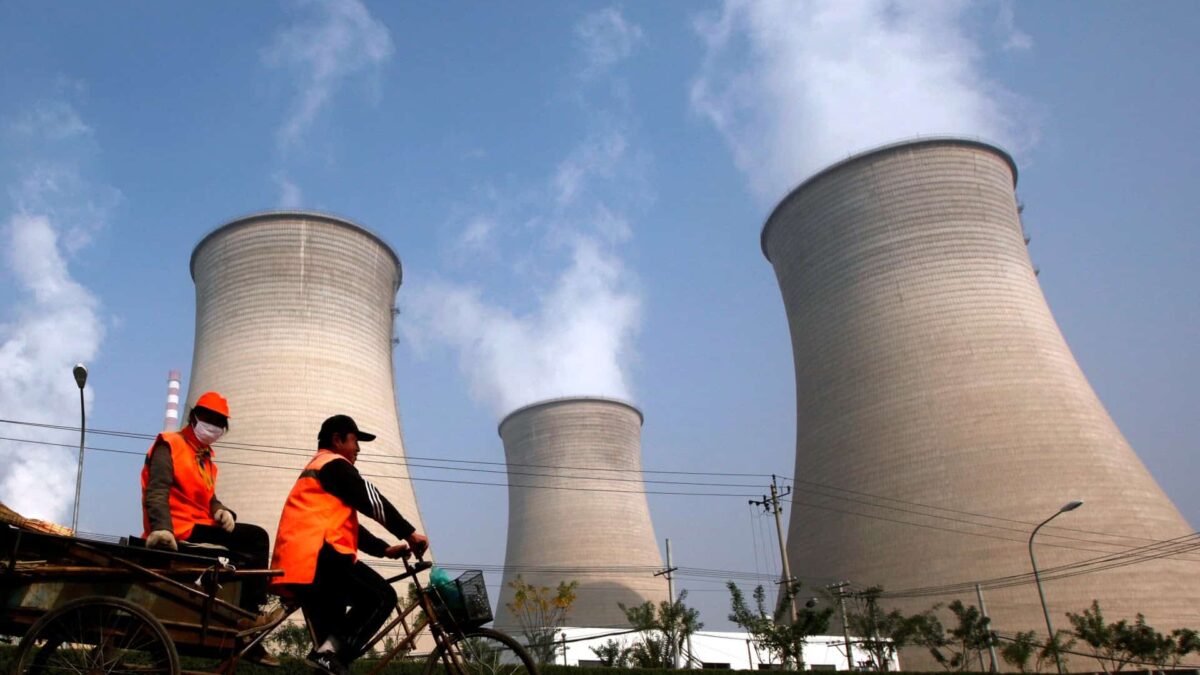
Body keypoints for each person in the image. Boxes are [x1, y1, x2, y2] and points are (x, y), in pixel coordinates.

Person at [270, 414, 429, 675]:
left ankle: (327, 656)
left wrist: (383, 549)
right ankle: (327, 655)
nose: (358, 449)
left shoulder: (320, 470)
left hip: (305, 564)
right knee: (382, 596)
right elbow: (372, 500)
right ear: (337, 439)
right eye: (355, 441)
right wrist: (409, 534)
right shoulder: (333, 465)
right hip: (319, 559)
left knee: (329, 659)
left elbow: (348, 525)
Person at [140, 391, 280, 665]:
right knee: (256, 538)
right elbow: (157, 490)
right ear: (193, 417)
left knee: (247, 549)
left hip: (199, 523)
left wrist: (220, 509)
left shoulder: (204, 458)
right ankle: (250, 617)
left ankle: (239, 617)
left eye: (219, 423)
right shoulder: (170, 444)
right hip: (178, 529)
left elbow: (207, 496)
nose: (213, 426)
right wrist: (162, 529)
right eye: (208, 419)